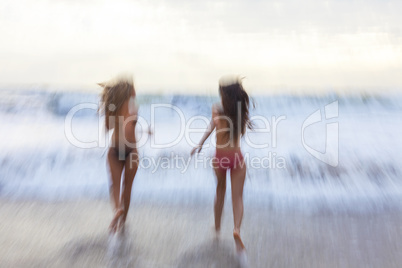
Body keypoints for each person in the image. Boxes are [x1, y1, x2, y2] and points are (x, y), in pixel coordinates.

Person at [191, 76, 253, 261]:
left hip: (219, 158)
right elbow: (240, 132)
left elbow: (212, 127)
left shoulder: (217, 109)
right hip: (237, 157)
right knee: (238, 197)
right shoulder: (240, 112)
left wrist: (200, 144)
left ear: (224, 95)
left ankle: (217, 229)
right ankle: (236, 229)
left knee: (220, 191)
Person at [98, 75, 139, 234]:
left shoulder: (113, 106)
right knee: (127, 188)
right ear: (129, 91)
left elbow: (108, 128)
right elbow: (131, 129)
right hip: (131, 151)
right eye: (134, 88)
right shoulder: (134, 106)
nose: (136, 91)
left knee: (114, 186)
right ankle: (123, 222)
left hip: (115, 149)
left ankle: (117, 211)